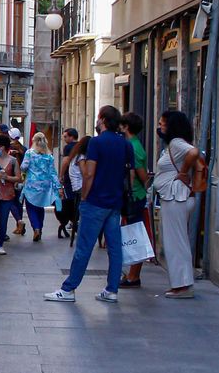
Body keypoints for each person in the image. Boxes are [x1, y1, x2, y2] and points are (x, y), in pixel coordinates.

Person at [46, 105, 133, 303]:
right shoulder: (125, 144)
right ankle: (112, 289)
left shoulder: (96, 143)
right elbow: (131, 173)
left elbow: (90, 173)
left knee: (84, 247)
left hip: (96, 200)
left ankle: (68, 289)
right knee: (114, 248)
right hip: (115, 201)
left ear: (102, 119)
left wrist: (85, 196)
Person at [152, 111, 203, 299]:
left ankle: (182, 285)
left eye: (162, 124)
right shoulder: (173, 145)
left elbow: (194, 152)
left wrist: (182, 172)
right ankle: (180, 283)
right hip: (174, 197)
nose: (160, 127)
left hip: (176, 198)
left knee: (176, 242)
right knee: (175, 241)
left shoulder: (176, 143)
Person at [119, 112, 154, 288]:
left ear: (126, 127)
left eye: (122, 124)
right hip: (134, 195)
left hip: (135, 195)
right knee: (132, 233)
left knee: (135, 234)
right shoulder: (132, 145)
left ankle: (134, 275)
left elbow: (142, 175)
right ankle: (132, 274)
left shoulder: (133, 147)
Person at [20, 133, 60, 243]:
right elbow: (52, 172)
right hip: (44, 186)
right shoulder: (49, 156)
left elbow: (23, 167)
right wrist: (58, 186)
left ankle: (36, 228)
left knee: (31, 207)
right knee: (40, 207)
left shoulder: (29, 153)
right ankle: (40, 228)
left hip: (31, 185)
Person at [0, 133, 20, 255]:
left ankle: (0, 244)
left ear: (2, 147)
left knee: (3, 220)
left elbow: (18, 177)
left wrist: (7, 177)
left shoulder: (13, 161)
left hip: (7, 194)